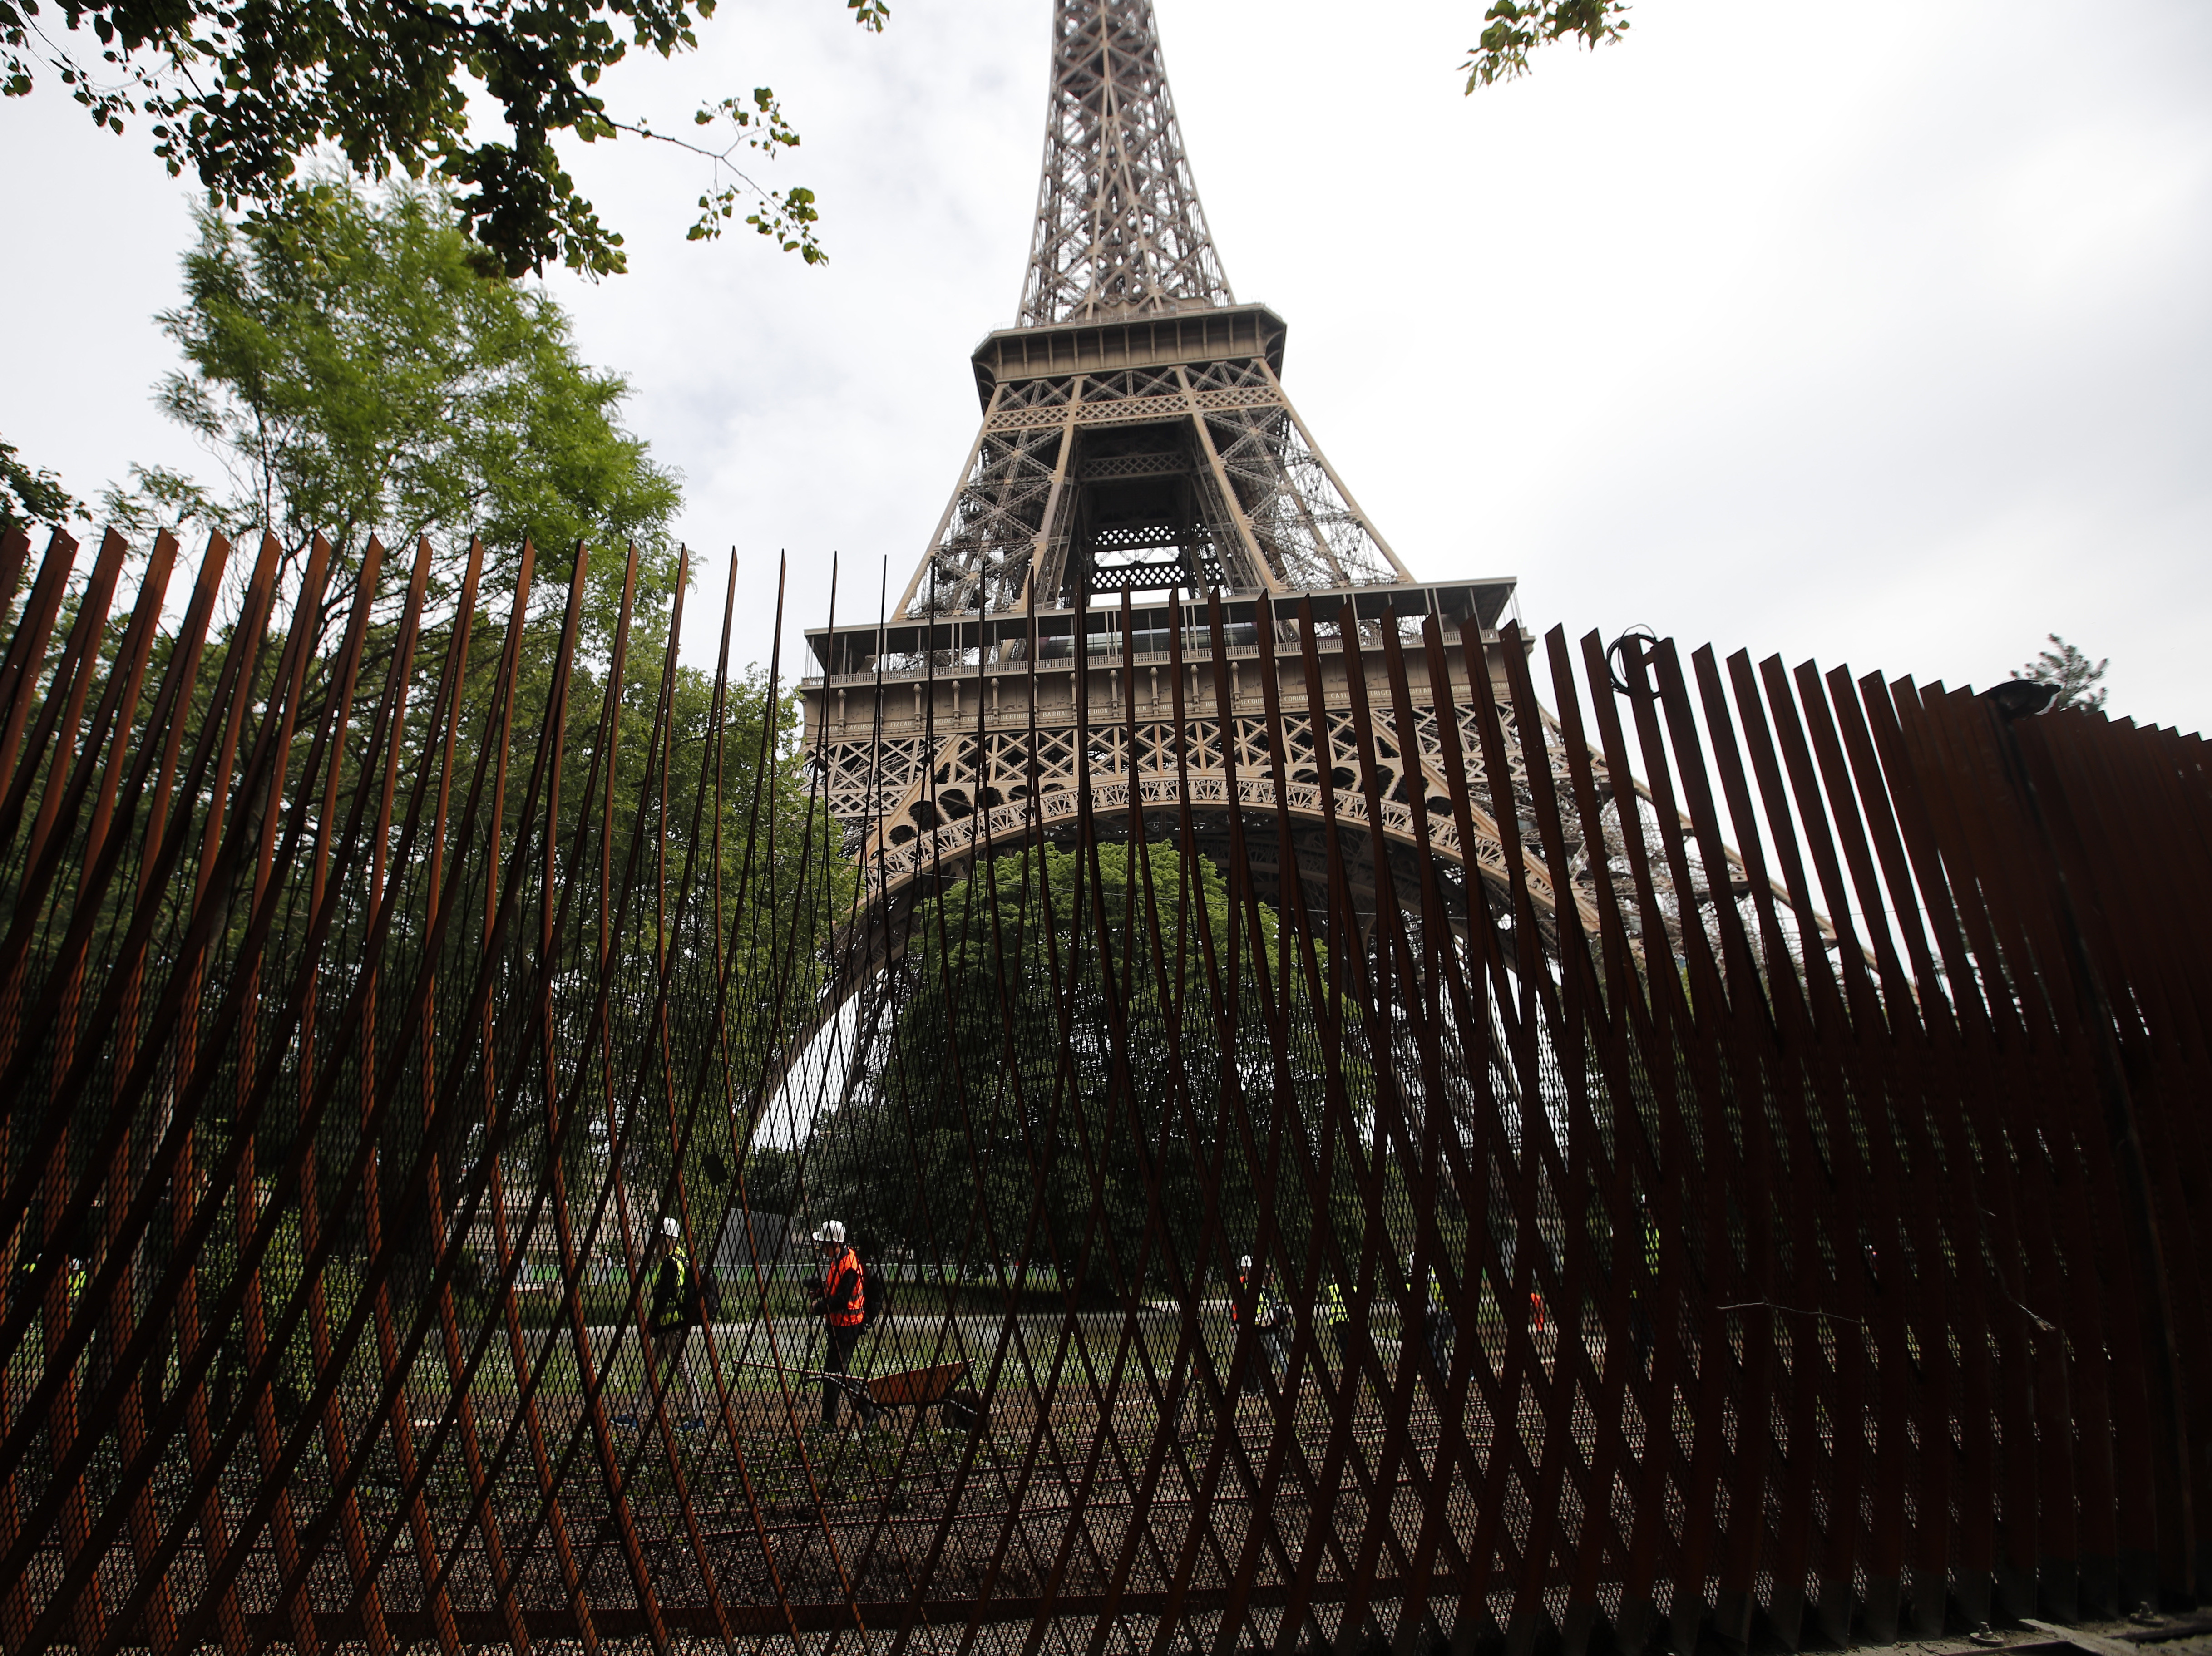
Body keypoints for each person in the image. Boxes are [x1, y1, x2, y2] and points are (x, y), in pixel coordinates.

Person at [809, 1220, 877, 1429]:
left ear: (836, 1243)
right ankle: (844, 1417)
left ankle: (835, 1421)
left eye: (825, 1244)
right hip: (838, 1325)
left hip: (848, 1327)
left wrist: (819, 1307)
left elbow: (842, 1299)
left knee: (834, 1375)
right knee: (837, 1374)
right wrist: (821, 1291)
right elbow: (834, 1289)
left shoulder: (850, 1266)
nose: (822, 1248)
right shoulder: (838, 1260)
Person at [646, 1216, 705, 1428]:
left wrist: (652, 1319)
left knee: (683, 1370)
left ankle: (698, 1415)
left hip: (672, 1325)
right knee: (651, 1366)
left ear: (665, 1240)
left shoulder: (670, 1264)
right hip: (672, 1324)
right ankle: (637, 1409)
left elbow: (664, 1295)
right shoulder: (681, 1259)